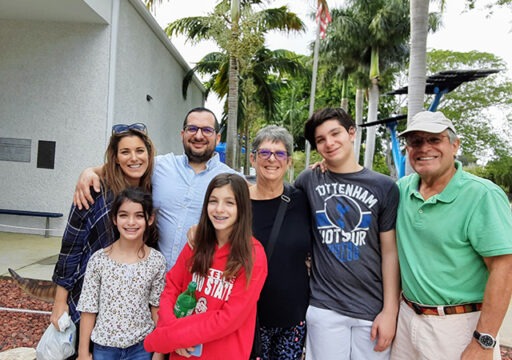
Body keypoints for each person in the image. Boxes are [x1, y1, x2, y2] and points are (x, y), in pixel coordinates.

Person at [390, 111, 512, 360]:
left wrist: (484, 340)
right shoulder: (401, 190)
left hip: (459, 326)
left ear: (455, 145)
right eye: (415, 142)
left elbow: (505, 269)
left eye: (435, 140)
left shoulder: (482, 195)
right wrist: (327, 168)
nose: (424, 148)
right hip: (406, 319)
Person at [294, 107, 400, 359]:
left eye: (335, 134)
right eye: (321, 140)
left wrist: (390, 311)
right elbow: (276, 201)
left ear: (351, 133)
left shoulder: (384, 186)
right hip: (325, 306)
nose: (329, 143)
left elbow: (390, 253)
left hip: (371, 310)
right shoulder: (308, 180)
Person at [74, 107, 236, 270]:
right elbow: (125, 165)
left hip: (198, 281)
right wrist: (89, 171)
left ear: (217, 137)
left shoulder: (233, 180)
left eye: (207, 130)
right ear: (182, 134)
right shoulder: (160, 165)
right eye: (192, 129)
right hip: (152, 280)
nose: (198, 135)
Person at [52, 123, 155, 357]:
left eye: (140, 151)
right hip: (91, 299)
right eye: (125, 152)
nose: (134, 158)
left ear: (149, 154)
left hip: (133, 307)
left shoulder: (153, 188)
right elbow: (70, 247)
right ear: (115, 158)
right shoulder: (94, 191)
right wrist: (60, 301)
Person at [143, 173, 268, 359]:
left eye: (229, 203)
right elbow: (171, 288)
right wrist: (171, 334)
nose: (219, 209)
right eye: (213, 201)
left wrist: (174, 336)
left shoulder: (253, 255)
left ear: (242, 208)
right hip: (182, 353)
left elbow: (229, 318)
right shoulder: (196, 244)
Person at [77, 187, 166, 360]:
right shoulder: (99, 260)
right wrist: (83, 352)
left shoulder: (156, 261)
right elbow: (88, 309)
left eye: (139, 215)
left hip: (141, 348)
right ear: (114, 219)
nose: (131, 222)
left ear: (150, 219)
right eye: (124, 215)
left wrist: (159, 351)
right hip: (104, 348)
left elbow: (157, 307)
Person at [249, 125, 312, 359]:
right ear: (253, 159)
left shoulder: (302, 200)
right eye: (264, 153)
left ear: (288, 162)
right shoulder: (238, 203)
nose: (271, 159)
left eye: (280, 153)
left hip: (292, 318)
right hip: (250, 317)